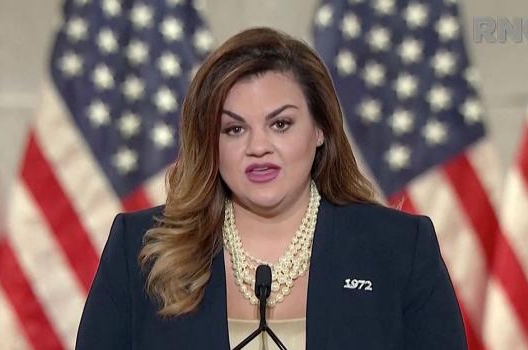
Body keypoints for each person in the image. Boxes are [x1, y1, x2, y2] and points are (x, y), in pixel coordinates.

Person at [76, 27, 467, 349]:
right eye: (234, 129)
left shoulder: (398, 249)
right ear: (210, 143)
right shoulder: (139, 249)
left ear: (320, 129)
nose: (258, 147)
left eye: (280, 124)